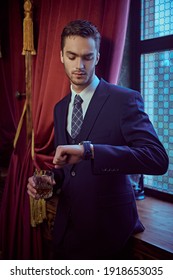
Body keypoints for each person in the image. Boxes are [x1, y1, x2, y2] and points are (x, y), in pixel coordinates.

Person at [27, 19, 169, 260]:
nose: (79, 65)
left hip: (109, 236)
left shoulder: (124, 100)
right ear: (61, 56)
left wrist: (90, 151)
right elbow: (68, 170)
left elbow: (157, 159)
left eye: (87, 57)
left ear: (98, 57)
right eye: (72, 56)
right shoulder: (60, 108)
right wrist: (51, 180)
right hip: (65, 233)